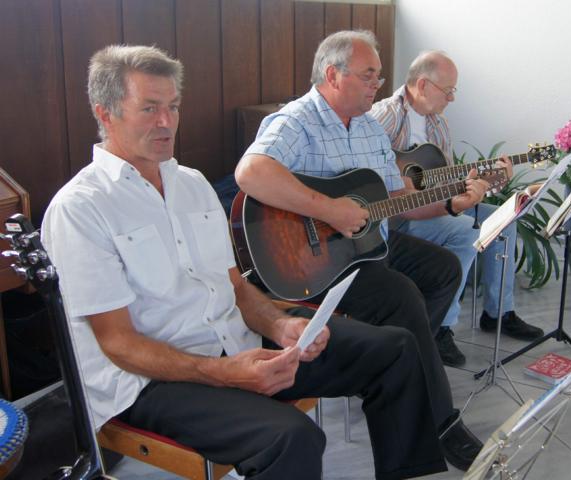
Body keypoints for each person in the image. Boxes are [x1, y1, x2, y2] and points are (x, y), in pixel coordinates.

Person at [41, 44, 454, 480]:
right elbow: (119, 344)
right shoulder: (80, 208)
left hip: (233, 341)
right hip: (152, 381)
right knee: (292, 438)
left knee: (395, 349)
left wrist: (278, 325)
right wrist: (223, 373)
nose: (167, 122)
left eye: (173, 106)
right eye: (149, 108)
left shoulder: (191, 184)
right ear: (105, 114)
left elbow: (235, 286)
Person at [235, 30, 484, 471]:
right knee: (401, 295)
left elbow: (397, 199)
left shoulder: (368, 127)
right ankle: (440, 423)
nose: (378, 85)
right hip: (314, 261)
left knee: (444, 268)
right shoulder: (297, 121)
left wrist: (451, 203)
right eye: (368, 75)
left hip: (368, 246)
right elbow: (251, 173)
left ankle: (398, 370)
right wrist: (329, 209)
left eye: (378, 76)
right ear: (333, 75)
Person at [371, 50, 544, 367]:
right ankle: (442, 328)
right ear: (423, 85)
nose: (451, 98)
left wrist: (488, 181)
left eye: (454, 90)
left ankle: (498, 313)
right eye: (447, 90)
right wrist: (407, 186)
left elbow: (450, 184)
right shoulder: (386, 116)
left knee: (504, 218)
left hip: (435, 208)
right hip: (397, 218)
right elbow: (371, 177)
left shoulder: (438, 124)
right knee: (466, 229)